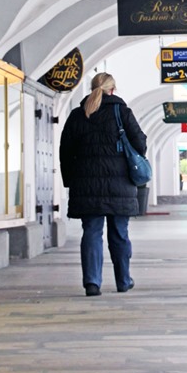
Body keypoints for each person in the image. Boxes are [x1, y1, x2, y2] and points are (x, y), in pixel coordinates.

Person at [59, 72, 147, 297]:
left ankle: (92, 283)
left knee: (91, 232)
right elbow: (140, 143)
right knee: (119, 233)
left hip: (86, 186)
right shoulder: (122, 113)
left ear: (92, 88)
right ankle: (123, 280)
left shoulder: (78, 115)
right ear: (112, 89)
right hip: (120, 184)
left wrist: (70, 181)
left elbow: (65, 151)